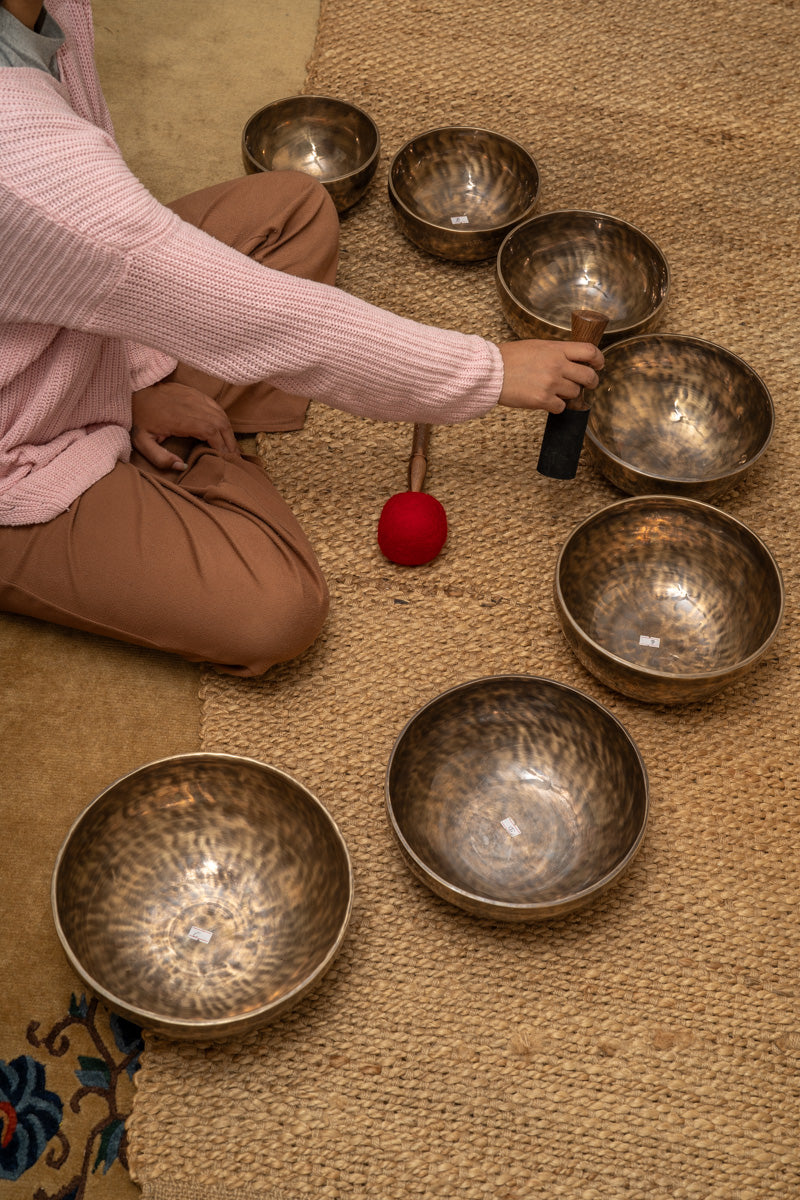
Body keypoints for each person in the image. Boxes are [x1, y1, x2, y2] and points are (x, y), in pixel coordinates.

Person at [0, 0, 604, 676]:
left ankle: (158, 444)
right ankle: (189, 471)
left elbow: (102, 258)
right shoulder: (16, 154)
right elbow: (250, 313)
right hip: (17, 453)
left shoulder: (43, 11)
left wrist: (135, 381)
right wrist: (489, 372)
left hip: (56, 342)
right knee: (277, 609)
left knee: (294, 209)